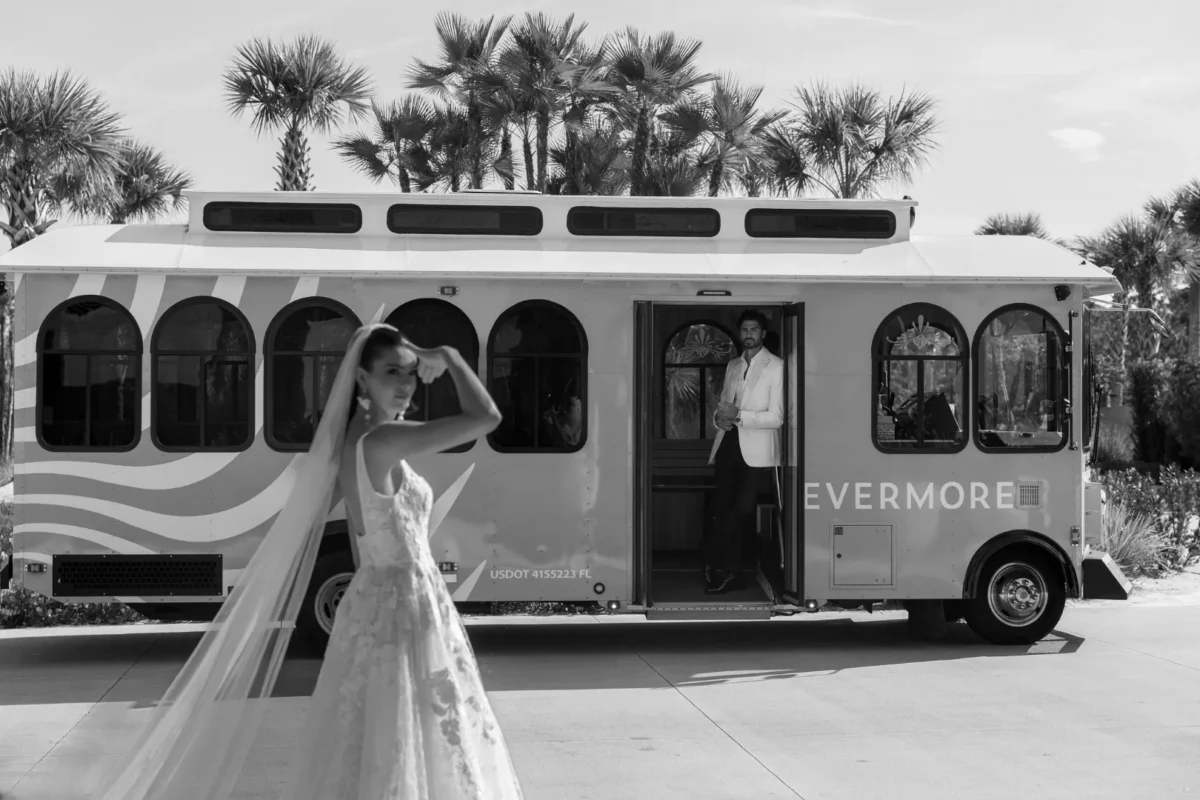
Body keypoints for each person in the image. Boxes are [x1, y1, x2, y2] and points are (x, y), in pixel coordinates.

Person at [88, 323, 523, 800]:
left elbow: (361, 543)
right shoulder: (382, 442)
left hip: (386, 604)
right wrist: (449, 354)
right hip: (403, 607)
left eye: (411, 372)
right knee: (411, 736)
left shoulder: (356, 442)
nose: (405, 382)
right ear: (362, 380)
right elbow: (486, 417)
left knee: (386, 740)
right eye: (391, 371)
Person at [704, 310, 784, 595]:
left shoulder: (777, 367)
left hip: (757, 451)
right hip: (727, 444)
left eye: (754, 329)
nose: (749, 333)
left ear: (763, 334)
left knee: (742, 511)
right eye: (745, 329)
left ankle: (719, 563)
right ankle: (729, 571)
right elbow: (724, 405)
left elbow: (777, 417)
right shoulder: (733, 366)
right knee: (722, 508)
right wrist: (720, 419)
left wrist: (740, 418)